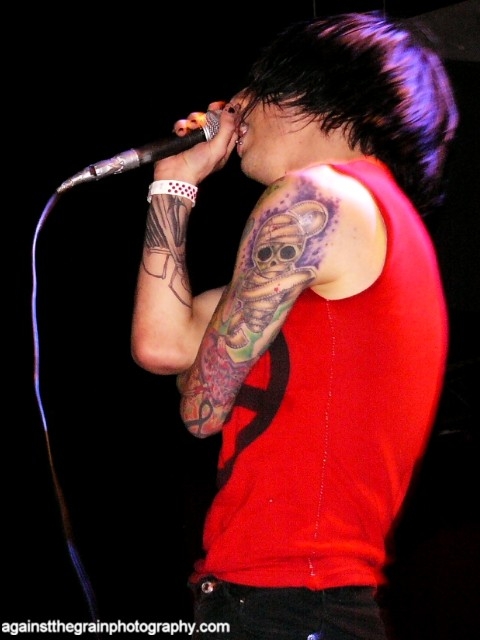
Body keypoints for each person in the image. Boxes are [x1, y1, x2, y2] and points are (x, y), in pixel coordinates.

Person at [130, 11, 458, 640]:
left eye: (256, 87)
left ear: (312, 87)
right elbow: (162, 345)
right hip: (302, 601)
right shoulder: (373, 228)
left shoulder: (316, 199)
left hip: (287, 602)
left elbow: (200, 409)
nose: (234, 106)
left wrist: (207, 371)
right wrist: (174, 186)